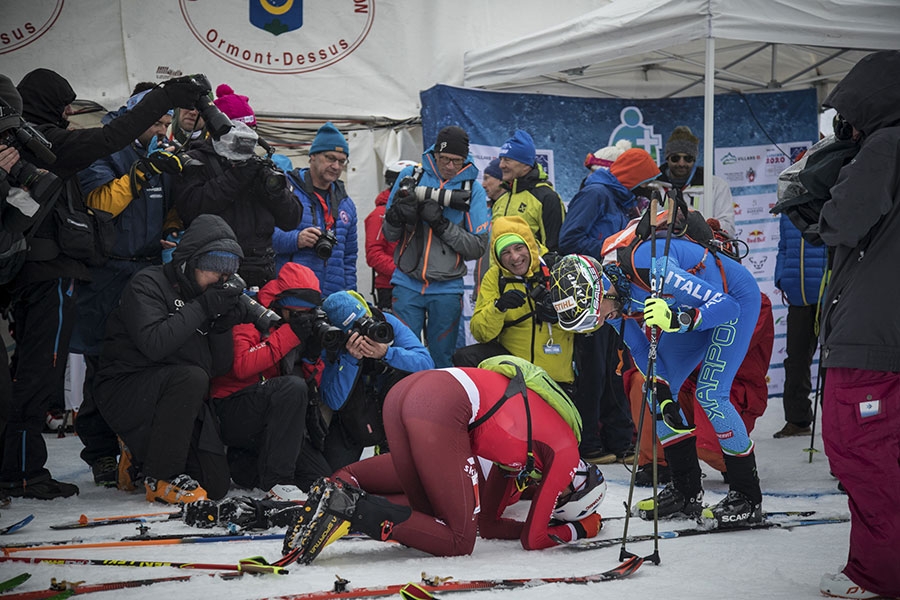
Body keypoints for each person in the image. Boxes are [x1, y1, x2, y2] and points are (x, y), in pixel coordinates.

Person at [0, 68, 209, 500]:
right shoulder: (43, 144)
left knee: (35, 374)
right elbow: (106, 146)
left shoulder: (30, 146)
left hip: (49, 273)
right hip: (52, 275)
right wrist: (165, 96)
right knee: (43, 374)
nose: (69, 113)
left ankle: (23, 467)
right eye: (64, 105)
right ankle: (24, 471)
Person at [285, 367, 606, 561]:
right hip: (442, 403)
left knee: (428, 519)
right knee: (458, 541)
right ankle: (351, 509)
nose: (545, 496)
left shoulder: (529, 454)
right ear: (576, 489)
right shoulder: (565, 453)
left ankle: (338, 502)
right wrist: (578, 528)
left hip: (413, 393)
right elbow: (533, 540)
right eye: (556, 500)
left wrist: (543, 524)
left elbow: (490, 525)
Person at [549, 248, 765, 529]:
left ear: (602, 291)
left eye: (594, 316)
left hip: (733, 301)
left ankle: (747, 497)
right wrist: (662, 389)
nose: (598, 322)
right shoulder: (612, 296)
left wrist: (678, 321)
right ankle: (686, 490)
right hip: (689, 313)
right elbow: (638, 346)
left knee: (710, 393)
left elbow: (727, 307)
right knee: (653, 390)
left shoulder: (657, 271)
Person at [816, 50, 900, 600]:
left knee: (861, 452)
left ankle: (879, 576)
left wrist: (820, 196)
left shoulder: (887, 144)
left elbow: (842, 219)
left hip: (872, 336)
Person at [70, 87, 184, 487]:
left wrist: (172, 228)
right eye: (156, 122)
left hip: (150, 272)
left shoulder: (159, 151)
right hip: (107, 273)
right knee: (104, 364)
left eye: (167, 123)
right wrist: (144, 170)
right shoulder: (102, 147)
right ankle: (100, 451)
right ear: (134, 119)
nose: (163, 130)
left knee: (145, 362)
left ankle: (135, 448)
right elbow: (101, 203)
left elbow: (170, 204)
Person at [94, 214, 245, 504]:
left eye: (227, 276)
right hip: (125, 387)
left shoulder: (205, 296)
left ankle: (140, 457)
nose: (220, 281)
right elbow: (155, 343)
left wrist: (221, 325)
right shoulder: (147, 284)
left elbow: (219, 367)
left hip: (175, 398)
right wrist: (202, 308)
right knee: (190, 377)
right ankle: (161, 477)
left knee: (215, 485)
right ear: (191, 262)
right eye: (215, 271)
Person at [558, 148, 658, 465]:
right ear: (634, 178)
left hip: (615, 291)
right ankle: (589, 443)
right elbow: (568, 240)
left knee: (616, 368)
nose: (649, 187)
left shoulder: (622, 199)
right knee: (593, 371)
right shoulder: (596, 193)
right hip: (592, 293)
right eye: (647, 180)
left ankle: (619, 440)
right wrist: (615, 249)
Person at [210, 262, 323, 503]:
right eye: (295, 313)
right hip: (231, 407)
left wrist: (312, 357)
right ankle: (278, 482)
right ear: (278, 305)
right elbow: (241, 365)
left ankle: (246, 466)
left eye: (307, 313)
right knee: (291, 387)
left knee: (319, 476)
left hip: (266, 420)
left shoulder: (293, 328)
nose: (301, 319)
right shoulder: (248, 316)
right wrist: (290, 334)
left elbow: (309, 391)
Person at [382, 125, 490, 368]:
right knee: (401, 356)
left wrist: (441, 224)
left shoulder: (473, 189)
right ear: (434, 154)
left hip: (446, 287)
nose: (450, 166)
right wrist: (398, 216)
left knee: (441, 360)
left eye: (456, 161)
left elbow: (477, 247)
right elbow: (389, 236)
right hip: (406, 281)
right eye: (444, 159)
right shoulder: (411, 176)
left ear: (465, 159)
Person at [173, 85, 301, 290]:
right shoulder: (196, 160)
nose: (244, 140)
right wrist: (237, 176)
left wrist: (273, 191)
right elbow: (191, 209)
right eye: (238, 133)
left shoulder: (261, 165)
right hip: (215, 271)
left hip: (261, 271)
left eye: (250, 133)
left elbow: (292, 219)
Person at [313, 289, 433, 472]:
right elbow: (333, 400)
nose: (365, 332)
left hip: (390, 402)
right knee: (335, 475)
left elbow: (427, 364)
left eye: (365, 321)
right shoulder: (330, 340)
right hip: (351, 413)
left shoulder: (385, 321)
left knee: (410, 375)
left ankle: (391, 444)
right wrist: (350, 359)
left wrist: (388, 353)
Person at [454, 216, 574, 390]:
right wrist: (498, 307)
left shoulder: (557, 270)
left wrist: (562, 311)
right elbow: (481, 333)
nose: (515, 257)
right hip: (514, 370)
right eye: (506, 252)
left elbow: (592, 325)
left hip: (554, 374)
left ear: (530, 246)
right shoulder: (496, 277)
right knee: (465, 356)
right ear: (497, 256)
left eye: (519, 248)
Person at [273, 122, 357, 297]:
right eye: (330, 158)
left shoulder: (346, 204)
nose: (336, 166)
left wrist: (349, 296)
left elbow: (349, 260)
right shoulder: (286, 191)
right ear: (312, 156)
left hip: (332, 297)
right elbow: (264, 238)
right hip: (292, 295)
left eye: (342, 161)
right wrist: (297, 239)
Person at [773, 213, 827, 438]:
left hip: (830, 297)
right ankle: (798, 419)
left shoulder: (831, 206)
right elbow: (783, 248)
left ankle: (836, 418)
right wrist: (781, 277)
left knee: (831, 361)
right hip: (798, 297)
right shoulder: (788, 214)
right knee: (795, 359)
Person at [492, 129, 565, 251]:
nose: (501, 165)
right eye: (501, 159)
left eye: (507, 160)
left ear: (526, 165)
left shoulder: (547, 197)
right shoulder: (502, 198)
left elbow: (555, 249)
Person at [658, 126, 735, 236]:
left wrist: (710, 225)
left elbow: (729, 228)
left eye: (688, 158)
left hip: (700, 248)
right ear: (667, 158)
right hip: (662, 248)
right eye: (675, 158)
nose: (681, 163)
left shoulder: (716, 186)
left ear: (694, 159)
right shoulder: (652, 186)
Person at [365, 161, 415, 310]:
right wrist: (404, 272)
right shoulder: (380, 214)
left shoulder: (416, 210)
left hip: (415, 286)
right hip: (390, 287)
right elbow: (374, 254)